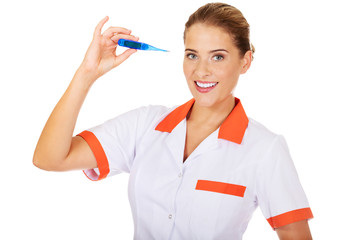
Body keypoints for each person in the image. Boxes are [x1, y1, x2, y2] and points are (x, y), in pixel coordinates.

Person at [33, 2, 313, 239]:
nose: (201, 71)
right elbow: (49, 158)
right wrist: (87, 73)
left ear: (245, 62)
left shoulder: (265, 149)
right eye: (192, 55)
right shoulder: (145, 125)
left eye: (218, 57)